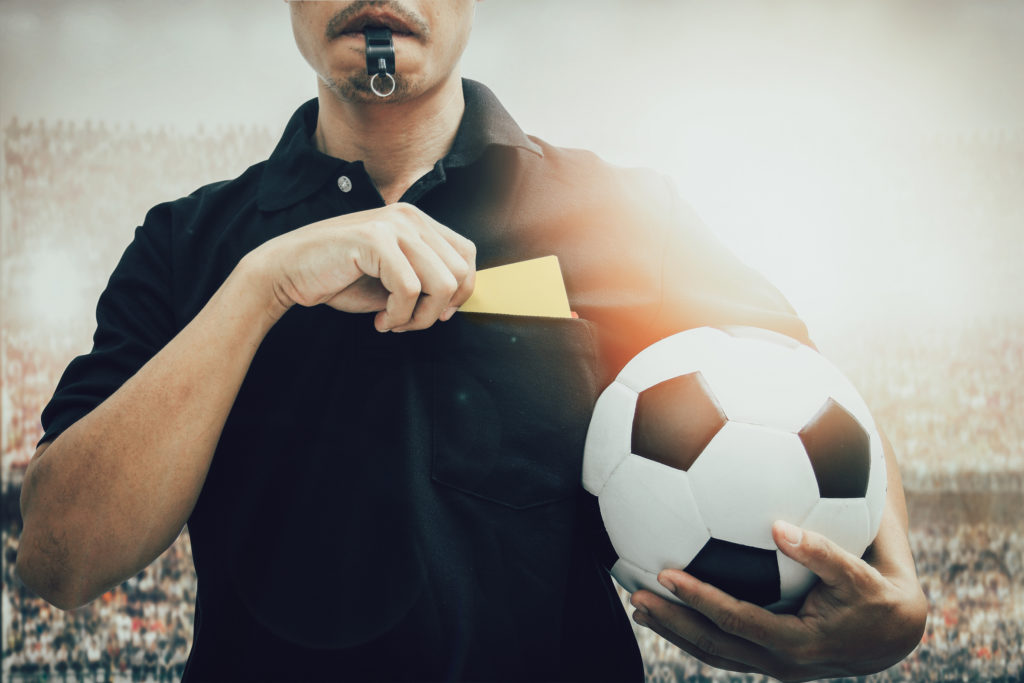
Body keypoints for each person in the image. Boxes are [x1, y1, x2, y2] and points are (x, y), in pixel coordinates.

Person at [16, 1, 927, 681]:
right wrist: (263, 285)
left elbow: (807, 384)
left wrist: (900, 591)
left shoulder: (622, 214)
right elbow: (59, 559)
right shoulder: (187, 243)